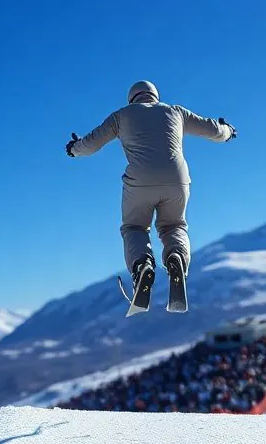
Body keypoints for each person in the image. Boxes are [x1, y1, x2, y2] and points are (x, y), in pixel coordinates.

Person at [66, 80, 236, 292]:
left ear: (131, 99)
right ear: (155, 96)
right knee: (174, 226)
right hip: (177, 179)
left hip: (140, 182)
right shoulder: (176, 112)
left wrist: (74, 148)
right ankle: (177, 258)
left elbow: (91, 144)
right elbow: (211, 129)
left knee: (134, 228)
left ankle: (142, 265)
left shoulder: (121, 116)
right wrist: (227, 130)